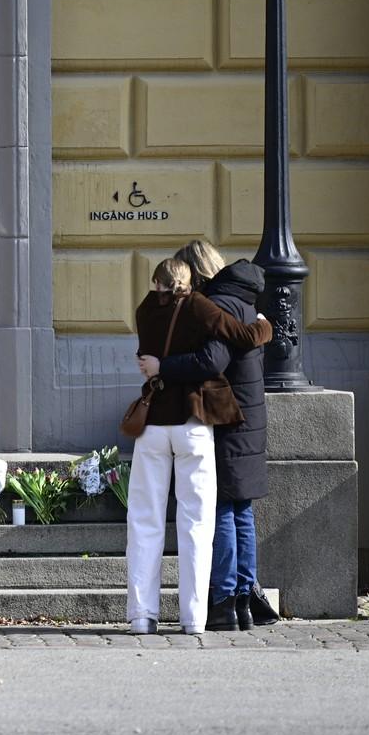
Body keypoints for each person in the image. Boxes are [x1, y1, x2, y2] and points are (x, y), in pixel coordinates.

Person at [127, 258, 272, 636]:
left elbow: (145, 356)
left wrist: (159, 366)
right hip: (192, 424)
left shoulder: (144, 309)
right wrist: (264, 326)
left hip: (153, 425)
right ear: (189, 283)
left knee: (145, 521)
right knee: (197, 522)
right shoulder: (199, 306)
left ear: (156, 282)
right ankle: (194, 619)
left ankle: (142, 616)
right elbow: (240, 337)